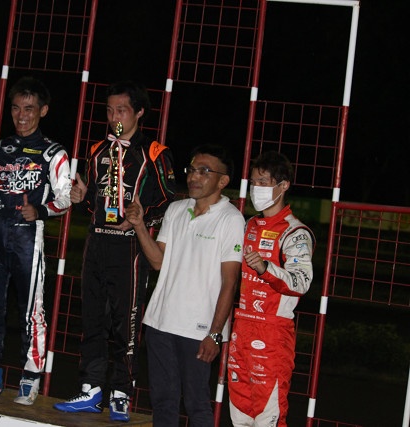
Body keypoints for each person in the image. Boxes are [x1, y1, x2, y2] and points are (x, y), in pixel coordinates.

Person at [53, 80, 176, 422]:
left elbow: (169, 201)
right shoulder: (97, 150)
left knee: (126, 322)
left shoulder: (155, 153)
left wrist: (142, 218)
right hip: (97, 242)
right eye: (109, 110)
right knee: (92, 319)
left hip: (131, 246)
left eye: (122, 110)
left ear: (139, 112)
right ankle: (91, 389)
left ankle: (121, 392)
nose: (114, 117)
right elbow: (92, 200)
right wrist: (81, 198)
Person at [0, 76, 72, 406]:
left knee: (31, 310)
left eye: (29, 109)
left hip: (27, 237)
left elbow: (65, 199)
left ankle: (30, 377)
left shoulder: (53, 152)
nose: (22, 116)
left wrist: (41, 211)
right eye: (16, 108)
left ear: (43, 111)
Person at [127, 144, 245, 426]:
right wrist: (140, 225)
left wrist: (215, 334)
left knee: (197, 404)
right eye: (192, 170)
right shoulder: (177, 209)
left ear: (223, 181)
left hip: (198, 331)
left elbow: (230, 283)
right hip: (160, 323)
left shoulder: (231, 219)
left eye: (204, 171)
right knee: (163, 402)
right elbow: (158, 262)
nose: (194, 177)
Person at [227, 151, 315, 426]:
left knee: (269, 416)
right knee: (240, 414)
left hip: (272, 333)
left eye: (264, 182)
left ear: (283, 185)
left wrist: (266, 269)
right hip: (241, 327)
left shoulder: (295, 232)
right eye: (254, 182)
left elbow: (301, 282)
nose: (257, 189)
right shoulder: (249, 225)